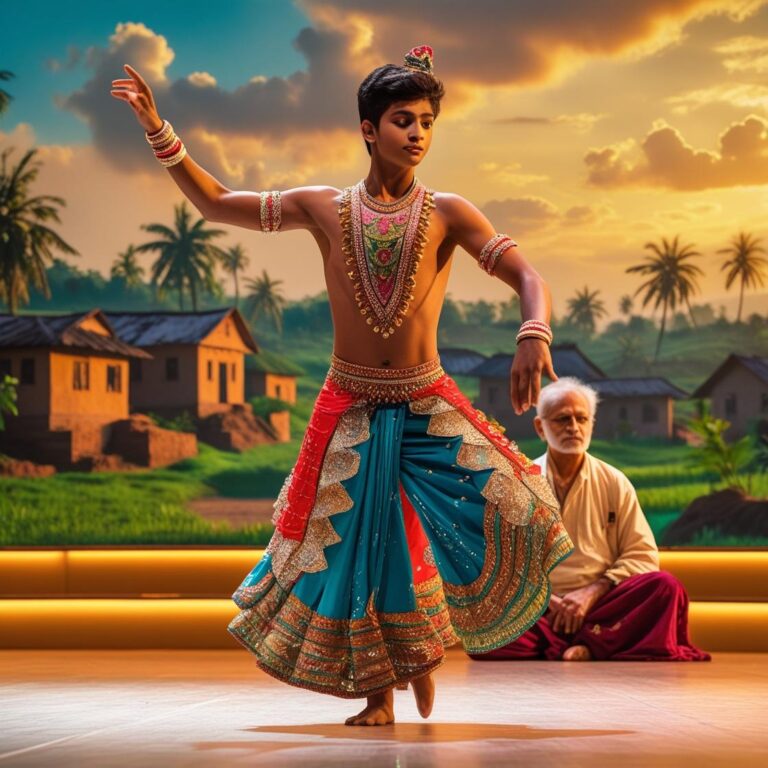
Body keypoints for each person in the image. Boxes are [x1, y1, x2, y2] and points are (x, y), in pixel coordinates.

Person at [110, 45, 575, 726]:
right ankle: (380, 693)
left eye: (426, 123)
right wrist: (159, 129)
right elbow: (214, 204)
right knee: (356, 550)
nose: (417, 134)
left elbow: (529, 276)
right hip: (350, 406)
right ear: (367, 129)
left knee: (516, 505)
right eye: (402, 121)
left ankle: (423, 645)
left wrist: (534, 330)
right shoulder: (323, 208)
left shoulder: (448, 211)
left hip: (426, 401)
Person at [469, 377, 711, 662]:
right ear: (540, 427)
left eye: (582, 418)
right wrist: (547, 601)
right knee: (482, 619)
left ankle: (569, 645)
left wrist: (592, 592)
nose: (574, 427)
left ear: (592, 424)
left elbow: (643, 555)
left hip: (604, 604)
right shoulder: (517, 484)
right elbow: (500, 562)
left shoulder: (614, 482)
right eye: (562, 419)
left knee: (665, 589)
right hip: (539, 608)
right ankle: (597, 643)